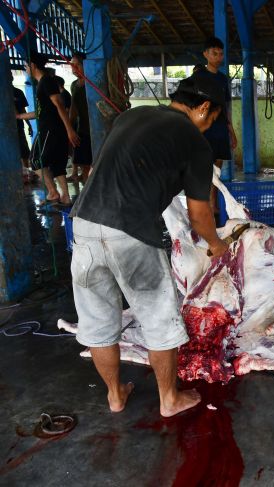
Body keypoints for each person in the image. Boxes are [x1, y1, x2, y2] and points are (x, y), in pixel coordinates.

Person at [68, 75, 230, 416]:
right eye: (213, 117)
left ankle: (115, 395)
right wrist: (217, 244)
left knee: (98, 322)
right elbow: (200, 214)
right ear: (203, 108)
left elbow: (100, 169)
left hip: (83, 223)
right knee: (159, 319)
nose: (210, 125)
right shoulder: (196, 143)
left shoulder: (130, 116)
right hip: (132, 231)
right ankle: (169, 399)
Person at [17, 52, 80, 206]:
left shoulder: (45, 82)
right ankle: (65, 197)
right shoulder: (44, 83)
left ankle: (53, 192)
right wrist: (19, 117)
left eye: (26, 66)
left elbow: (59, 105)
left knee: (35, 161)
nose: (26, 69)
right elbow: (40, 112)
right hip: (53, 127)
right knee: (57, 163)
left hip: (50, 128)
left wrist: (70, 130)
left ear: (32, 65)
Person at [193, 37, 238, 210]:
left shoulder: (222, 78)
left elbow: (225, 108)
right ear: (205, 54)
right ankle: (202, 209)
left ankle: (213, 206)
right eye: (214, 53)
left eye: (221, 54)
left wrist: (231, 132)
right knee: (203, 171)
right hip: (203, 130)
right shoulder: (198, 77)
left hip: (219, 129)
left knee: (216, 173)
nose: (218, 57)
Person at [69, 52, 93, 183]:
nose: (74, 68)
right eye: (72, 65)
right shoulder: (74, 85)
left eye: (77, 65)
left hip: (96, 129)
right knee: (85, 165)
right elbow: (73, 110)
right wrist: (69, 129)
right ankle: (87, 191)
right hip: (83, 129)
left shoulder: (94, 83)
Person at [13, 87, 33, 169]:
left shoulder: (18, 92)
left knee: (23, 149)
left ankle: (26, 171)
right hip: (6, 127)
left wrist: (29, 124)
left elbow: (22, 110)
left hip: (18, 126)